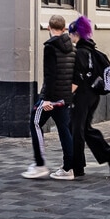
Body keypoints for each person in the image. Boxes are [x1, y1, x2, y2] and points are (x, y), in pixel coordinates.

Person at [23, 14, 78, 180]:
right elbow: (75, 76)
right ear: (64, 29)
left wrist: (46, 99)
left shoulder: (50, 46)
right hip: (65, 97)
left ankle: (40, 164)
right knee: (64, 130)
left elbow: (50, 74)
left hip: (51, 96)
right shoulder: (74, 48)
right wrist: (68, 94)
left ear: (48, 28)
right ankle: (68, 168)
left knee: (35, 122)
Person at [67, 15, 110, 176]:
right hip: (93, 97)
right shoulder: (96, 54)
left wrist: (66, 95)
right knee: (84, 128)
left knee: (76, 130)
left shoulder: (78, 53)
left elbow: (76, 79)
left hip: (80, 97)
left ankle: (77, 167)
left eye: (70, 33)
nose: (69, 37)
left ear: (76, 34)